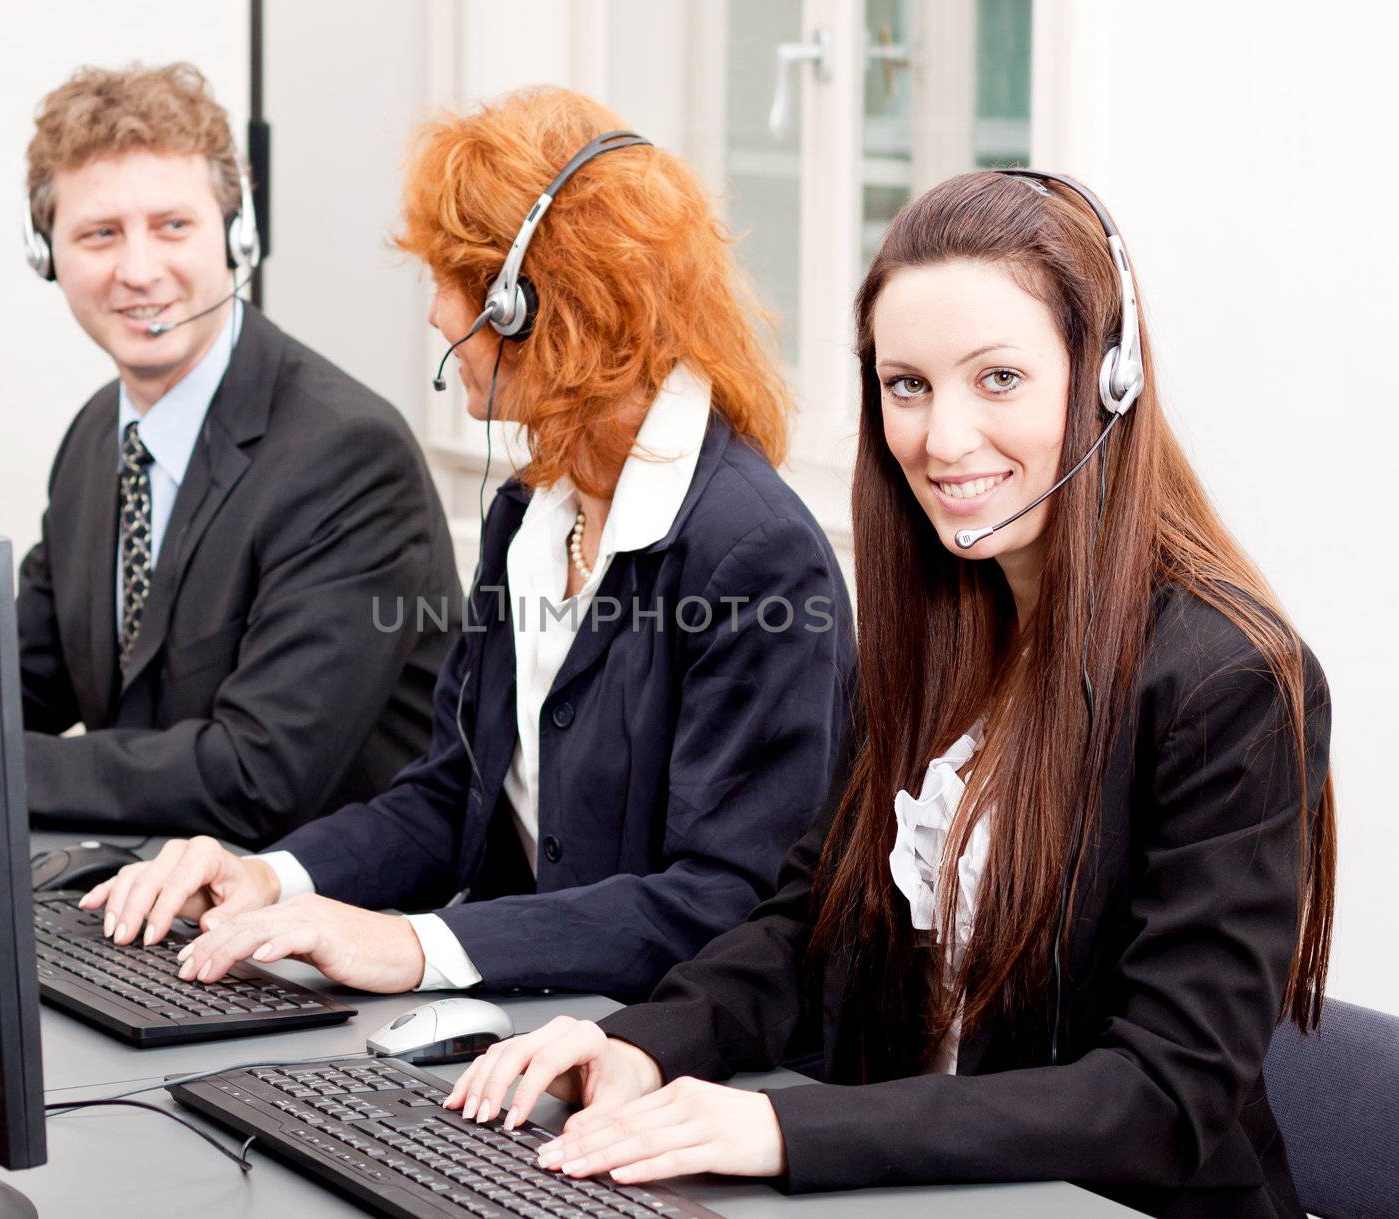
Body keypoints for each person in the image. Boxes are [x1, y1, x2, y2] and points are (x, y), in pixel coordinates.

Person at [446, 171, 1338, 1219]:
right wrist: (638, 1041)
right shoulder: (937, 630)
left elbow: (1163, 1091)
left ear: (1109, 380)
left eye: (996, 378)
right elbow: (808, 929)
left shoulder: (1226, 677)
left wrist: (783, 1128)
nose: (943, 438)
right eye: (905, 384)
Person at [81, 87, 855, 1001]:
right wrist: (270, 877)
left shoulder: (753, 554)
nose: (439, 315)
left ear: (528, 302)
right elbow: (452, 793)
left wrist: (418, 946)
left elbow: (726, 901)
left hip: (676, 1068)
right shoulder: (535, 507)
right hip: (532, 1026)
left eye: (451, 280)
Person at [17, 63, 459, 848]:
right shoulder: (95, 439)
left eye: (173, 226)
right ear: (45, 253)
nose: (139, 270)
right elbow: (15, 689)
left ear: (239, 233)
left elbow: (258, 775)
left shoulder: (349, 457)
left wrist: (2, 771)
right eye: (99, 234)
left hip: (333, 927)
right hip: (152, 890)